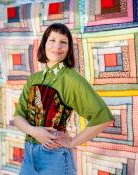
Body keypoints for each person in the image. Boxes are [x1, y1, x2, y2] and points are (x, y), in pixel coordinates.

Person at [14, 23, 114, 175]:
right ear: (44, 43)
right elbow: (18, 117)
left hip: (55, 158)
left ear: (68, 49)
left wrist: (72, 142)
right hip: (29, 156)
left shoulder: (71, 79)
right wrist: (34, 131)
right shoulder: (33, 79)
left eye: (63, 42)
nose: (57, 46)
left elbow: (103, 118)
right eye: (52, 40)